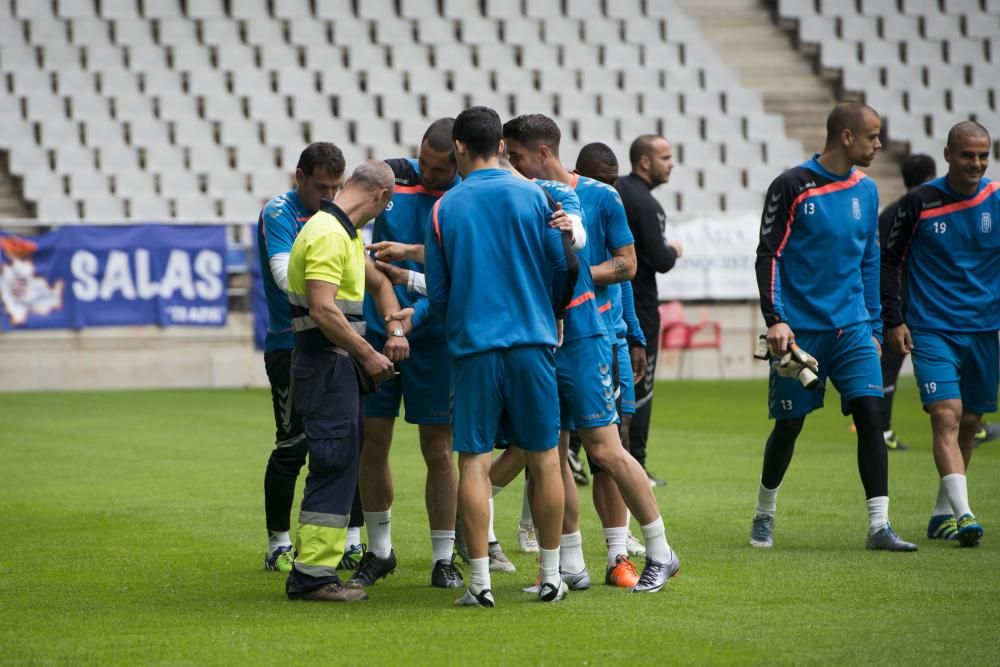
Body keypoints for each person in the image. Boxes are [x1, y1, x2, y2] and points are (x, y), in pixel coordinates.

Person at [503, 114, 679, 591]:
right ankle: (573, 563)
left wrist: (576, 273)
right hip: (542, 339)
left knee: (604, 449)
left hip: (588, 337)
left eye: (516, 156)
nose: (511, 165)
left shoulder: (602, 197)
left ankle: (661, 551)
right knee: (550, 454)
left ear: (542, 153)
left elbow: (627, 265)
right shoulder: (525, 199)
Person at [423, 106, 577, 606]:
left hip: (475, 348)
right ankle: (552, 576)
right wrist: (541, 310)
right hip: (532, 343)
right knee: (546, 460)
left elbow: (440, 293)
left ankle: (481, 583)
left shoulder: (445, 207)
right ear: (501, 145)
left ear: (461, 148)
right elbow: (562, 269)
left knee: (472, 461)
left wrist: (461, 321)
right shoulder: (535, 196)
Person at [749, 101, 917, 552]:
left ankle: (879, 526)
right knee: (790, 426)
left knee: (871, 415)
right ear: (846, 136)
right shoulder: (791, 185)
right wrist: (776, 319)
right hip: (800, 334)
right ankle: (764, 513)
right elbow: (769, 254)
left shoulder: (866, 191)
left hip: (854, 329)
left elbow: (869, 262)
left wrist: (877, 328)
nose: (879, 144)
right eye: (872, 136)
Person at [350, 119, 470, 591]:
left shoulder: (464, 198)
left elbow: (454, 276)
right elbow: (367, 256)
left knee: (438, 450)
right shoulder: (393, 183)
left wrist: (408, 320)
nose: (428, 171)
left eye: (438, 166)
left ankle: (443, 557)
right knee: (372, 442)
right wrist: (392, 320)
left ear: (458, 159)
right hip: (381, 332)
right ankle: (380, 551)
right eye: (423, 160)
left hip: (434, 335)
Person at [284, 160, 411, 602]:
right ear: (379, 197)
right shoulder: (327, 233)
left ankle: (315, 569)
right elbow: (321, 309)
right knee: (333, 463)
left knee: (338, 463)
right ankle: (312, 576)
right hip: (327, 364)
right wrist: (368, 353)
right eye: (387, 203)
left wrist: (392, 324)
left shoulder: (343, 233)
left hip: (333, 366)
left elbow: (374, 287)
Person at [881, 121, 999, 547]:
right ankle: (965, 515)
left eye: (983, 155)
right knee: (946, 415)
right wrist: (894, 319)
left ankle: (940, 514)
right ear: (948, 154)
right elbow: (889, 261)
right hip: (932, 328)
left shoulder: (996, 199)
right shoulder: (919, 203)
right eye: (968, 155)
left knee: (969, 422)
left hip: (985, 330)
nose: (976, 163)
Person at [256, 143, 363, 573]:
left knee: (347, 441)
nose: (329, 196)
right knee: (293, 445)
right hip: (290, 343)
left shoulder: (337, 215)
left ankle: (352, 539)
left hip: (339, 342)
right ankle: (278, 544)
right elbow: (286, 278)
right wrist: (325, 286)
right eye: (321, 186)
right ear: (298, 176)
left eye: (336, 187)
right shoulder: (279, 212)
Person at [615, 136, 683, 487]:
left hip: (607, 304)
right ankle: (636, 465)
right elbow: (659, 259)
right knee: (639, 388)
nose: (672, 163)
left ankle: (576, 450)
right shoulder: (647, 203)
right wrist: (674, 250)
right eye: (665, 157)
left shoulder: (616, 191)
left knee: (604, 384)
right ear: (644, 162)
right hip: (638, 307)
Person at [876, 154, 937, 452]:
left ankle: (881, 431)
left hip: (891, 303)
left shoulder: (888, 213)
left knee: (887, 370)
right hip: (919, 304)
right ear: (931, 175)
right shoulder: (931, 210)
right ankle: (881, 432)